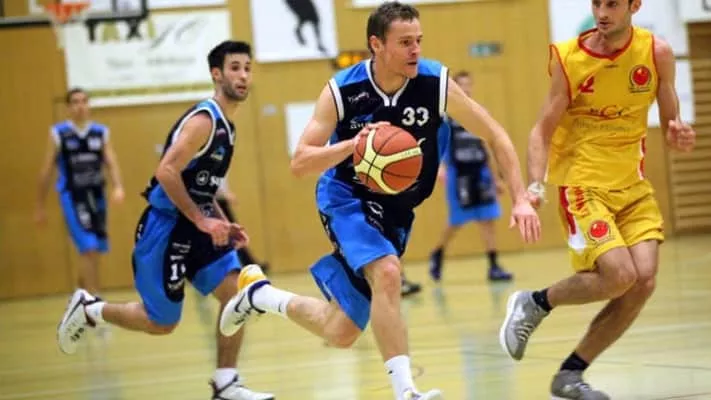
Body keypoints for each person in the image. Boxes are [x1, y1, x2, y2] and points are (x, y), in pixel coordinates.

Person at [220, 3, 541, 400]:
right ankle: (406, 391)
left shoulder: (435, 84)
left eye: (418, 40)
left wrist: (521, 198)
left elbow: (495, 135)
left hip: (397, 210)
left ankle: (260, 296)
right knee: (388, 271)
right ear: (376, 44)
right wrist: (352, 145)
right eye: (405, 42)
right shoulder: (342, 91)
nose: (415, 49)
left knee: (340, 331)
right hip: (346, 197)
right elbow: (300, 162)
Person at [498, 1, 696, 399]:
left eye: (612, 3)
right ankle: (535, 303)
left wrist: (678, 133)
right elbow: (541, 130)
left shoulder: (656, 52)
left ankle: (570, 374)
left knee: (643, 281)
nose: (602, 12)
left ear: (634, 5)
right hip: (583, 184)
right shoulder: (570, 58)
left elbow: (671, 118)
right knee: (619, 276)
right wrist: (534, 187)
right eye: (596, 3)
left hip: (632, 186)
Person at [56, 40, 274, 400]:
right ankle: (90, 309)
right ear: (216, 74)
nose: (243, 76)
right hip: (166, 227)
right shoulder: (204, 120)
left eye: (247, 68)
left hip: (197, 221)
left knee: (236, 294)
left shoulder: (228, 127)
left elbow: (203, 186)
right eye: (235, 68)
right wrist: (202, 220)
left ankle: (226, 383)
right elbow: (166, 171)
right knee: (161, 323)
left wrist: (221, 221)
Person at [35, 88, 125, 296]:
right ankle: (94, 299)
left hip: (97, 196)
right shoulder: (59, 133)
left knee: (96, 248)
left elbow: (111, 162)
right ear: (68, 107)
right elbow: (46, 170)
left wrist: (118, 186)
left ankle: (80, 292)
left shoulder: (100, 132)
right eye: (75, 102)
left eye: (84, 101)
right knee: (88, 247)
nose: (80, 106)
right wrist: (39, 206)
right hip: (73, 197)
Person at [429, 71, 513, 283]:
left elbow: (489, 143)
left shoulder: (480, 112)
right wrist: (439, 167)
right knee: (456, 221)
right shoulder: (445, 115)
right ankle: (438, 252)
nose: (465, 88)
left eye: (468, 84)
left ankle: (494, 266)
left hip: (480, 170)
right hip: (458, 173)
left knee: (487, 219)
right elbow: (438, 143)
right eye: (461, 85)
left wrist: (497, 178)